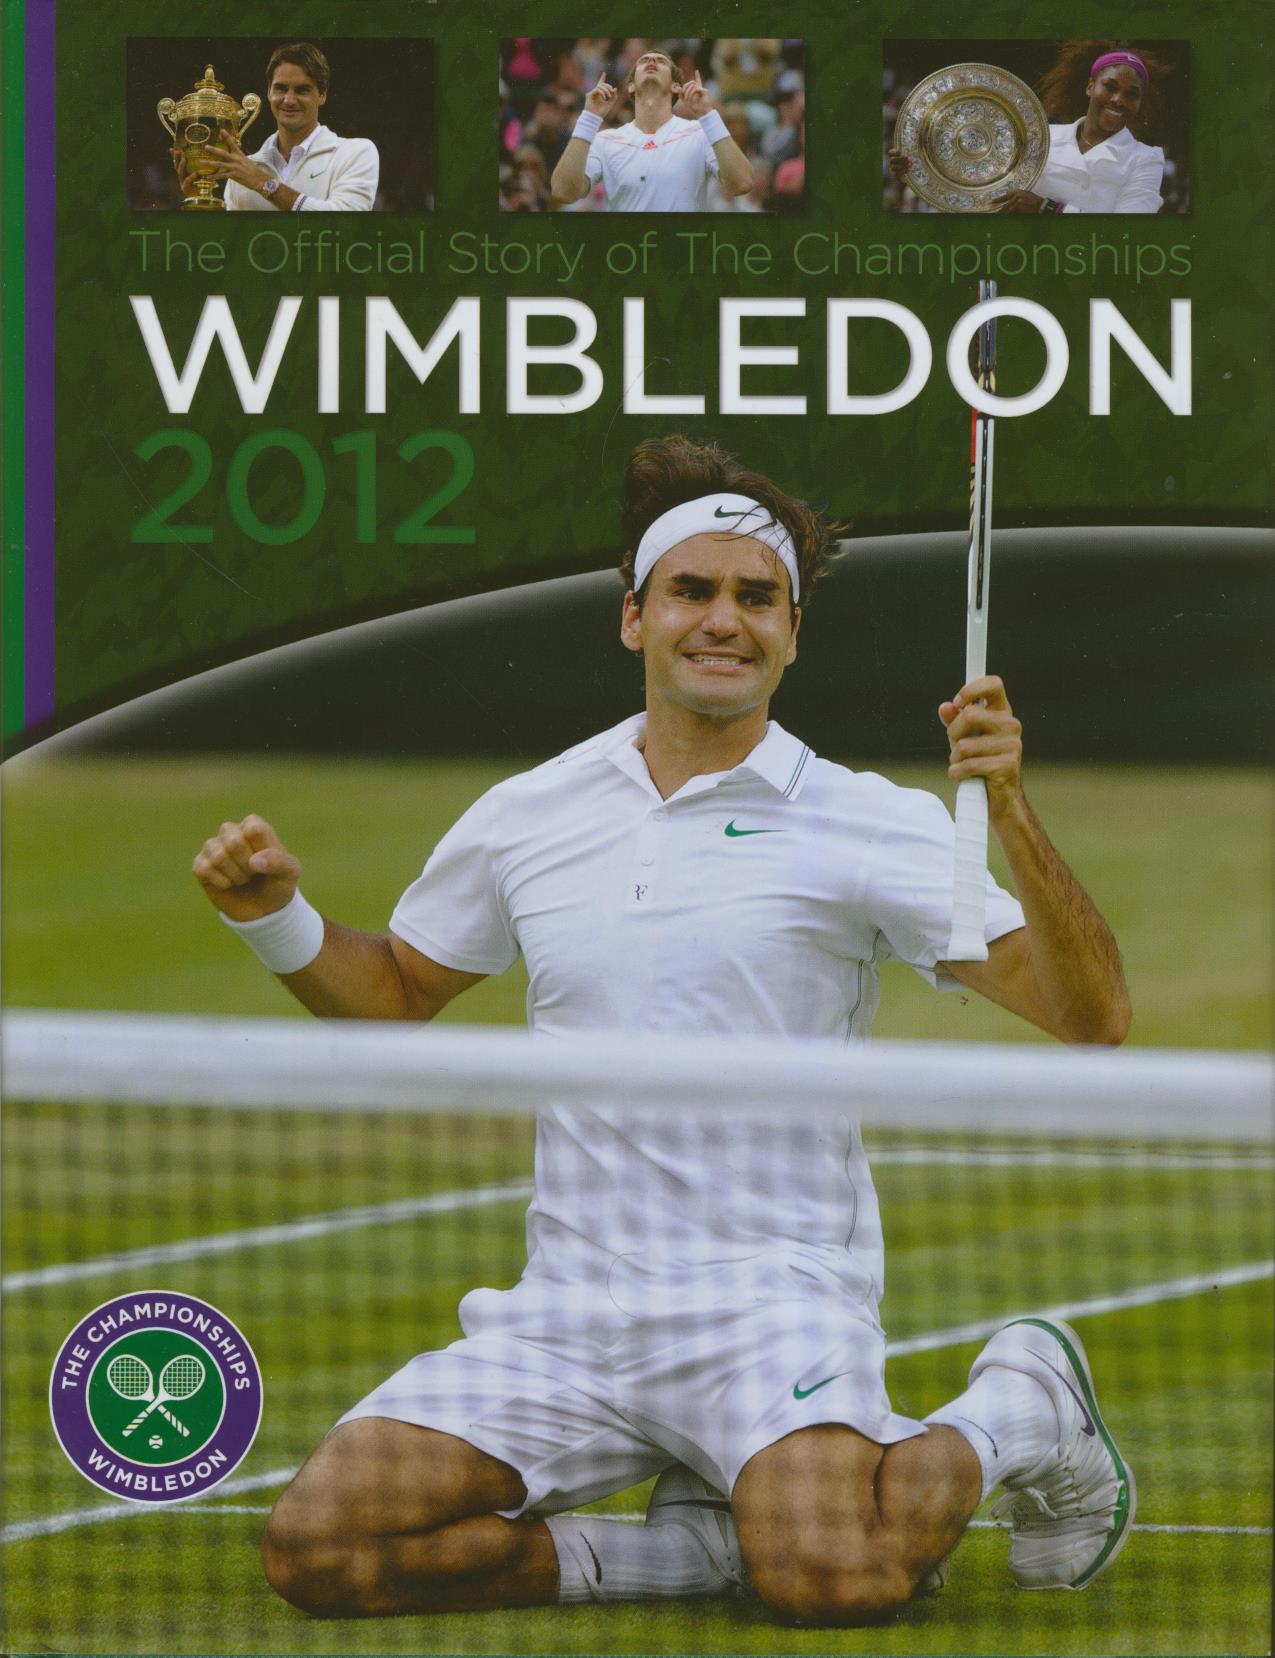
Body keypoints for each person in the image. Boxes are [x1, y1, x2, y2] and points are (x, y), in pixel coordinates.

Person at [194, 435, 1134, 1626]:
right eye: (692, 589)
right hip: (567, 1313)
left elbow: (1090, 1017)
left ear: (793, 631)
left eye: (757, 597)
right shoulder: (528, 813)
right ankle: (690, 1552)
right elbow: (397, 988)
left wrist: (1008, 807)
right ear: (635, 616)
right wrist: (275, 917)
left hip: (773, 1302)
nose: (724, 619)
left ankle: (1021, 1407)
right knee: (320, 1546)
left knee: (834, 1575)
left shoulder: (864, 822)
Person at [888, 42, 1171, 215]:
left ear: (1139, 103)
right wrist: (920, 173)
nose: (1118, 100)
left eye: (1131, 94)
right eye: (1109, 87)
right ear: (1090, 87)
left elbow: (1127, 230)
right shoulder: (1041, 136)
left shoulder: (1146, 159)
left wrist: (1047, 208)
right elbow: (984, 191)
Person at [172, 42, 379, 213]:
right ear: (269, 92)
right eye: (281, 88)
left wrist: (264, 183)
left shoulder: (355, 153)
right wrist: (200, 201)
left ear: (322, 95)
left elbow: (346, 227)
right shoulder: (242, 171)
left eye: (302, 90)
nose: (289, 100)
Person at [551, 49, 751, 211]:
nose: (652, 61)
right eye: (644, 61)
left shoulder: (700, 132)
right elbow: (563, 192)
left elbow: (742, 183)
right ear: (631, 86)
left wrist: (708, 114)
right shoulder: (605, 140)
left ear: (675, 86)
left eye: (661, 61)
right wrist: (589, 118)